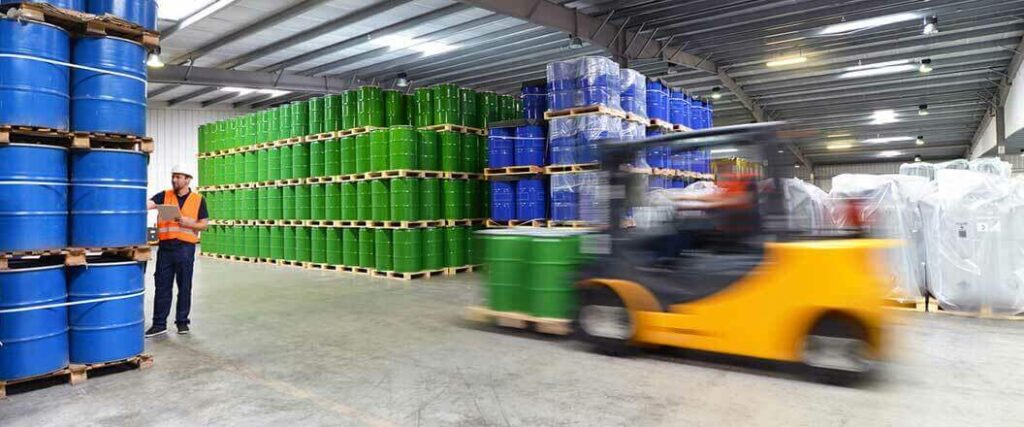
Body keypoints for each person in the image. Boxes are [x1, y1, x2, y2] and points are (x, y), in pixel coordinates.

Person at [145, 164, 209, 337]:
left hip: (186, 248)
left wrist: (190, 223)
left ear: (188, 179)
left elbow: (204, 224)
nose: (174, 180)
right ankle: (159, 324)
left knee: (184, 286)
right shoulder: (164, 195)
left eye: (178, 177)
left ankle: (182, 322)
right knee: (162, 286)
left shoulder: (198, 199)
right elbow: (148, 204)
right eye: (173, 176)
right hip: (165, 248)